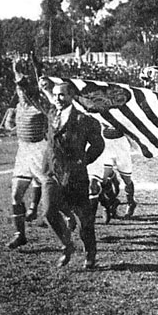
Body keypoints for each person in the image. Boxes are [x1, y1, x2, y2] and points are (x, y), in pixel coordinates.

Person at [38, 80, 105, 269]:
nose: (58, 98)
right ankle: (67, 245)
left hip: (75, 175)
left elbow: (99, 145)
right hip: (52, 172)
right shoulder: (52, 114)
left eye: (62, 95)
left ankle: (90, 253)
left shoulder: (84, 120)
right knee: (49, 211)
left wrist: (83, 160)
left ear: (71, 96)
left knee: (85, 219)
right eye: (56, 94)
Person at [4, 58, 48, 249]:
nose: (20, 93)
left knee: (53, 196)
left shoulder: (39, 107)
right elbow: (9, 124)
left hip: (40, 151)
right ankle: (20, 234)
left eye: (23, 90)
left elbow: (33, 88)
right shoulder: (18, 108)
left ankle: (72, 219)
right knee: (15, 195)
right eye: (18, 90)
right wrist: (15, 70)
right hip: (23, 152)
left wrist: (32, 72)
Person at [87, 123, 137, 220]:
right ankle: (110, 202)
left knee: (126, 179)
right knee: (102, 178)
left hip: (121, 144)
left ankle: (131, 202)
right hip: (106, 143)